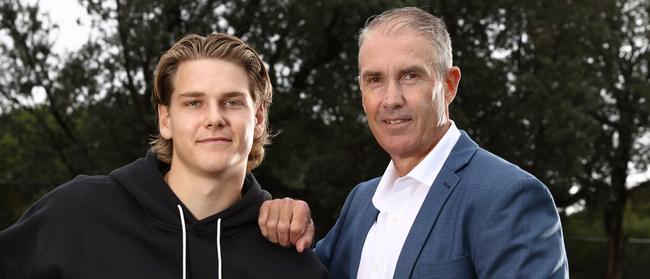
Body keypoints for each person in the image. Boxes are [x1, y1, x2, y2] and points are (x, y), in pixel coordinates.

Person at [259, 7, 569, 278]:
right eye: (375, 80)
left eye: (410, 76)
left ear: (449, 86)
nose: (391, 99)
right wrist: (286, 222)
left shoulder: (509, 197)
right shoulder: (361, 202)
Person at [0, 33, 329, 279]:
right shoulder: (78, 212)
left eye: (231, 102)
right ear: (166, 119)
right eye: (193, 103)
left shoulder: (292, 262)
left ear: (258, 120)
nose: (214, 118)